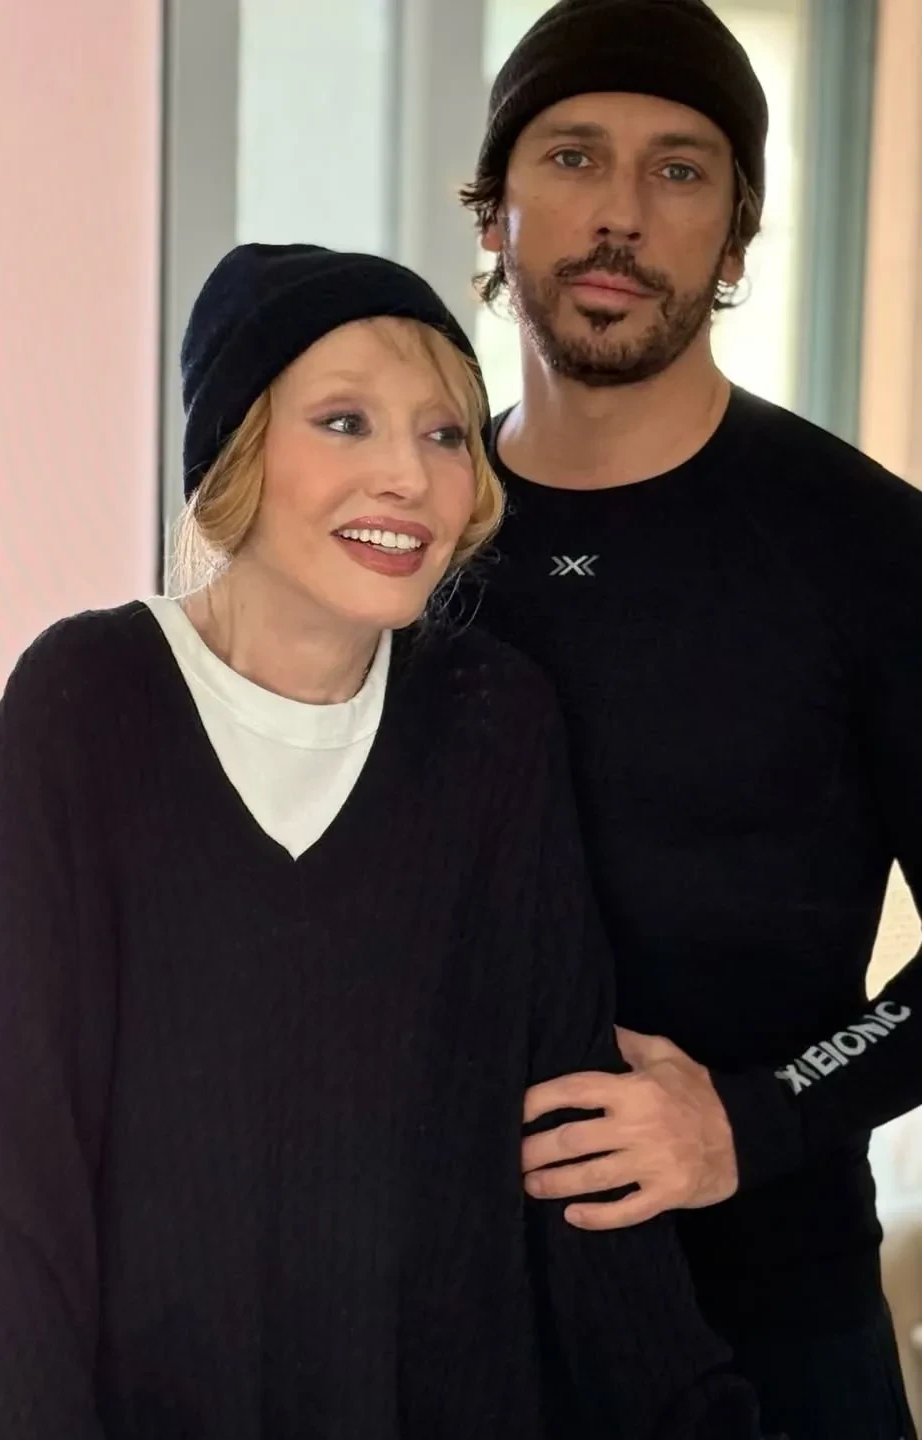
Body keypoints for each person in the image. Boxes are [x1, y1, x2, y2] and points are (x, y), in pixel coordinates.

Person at [0, 243, 766, 1439]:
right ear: (236, 448)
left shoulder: (493, 720)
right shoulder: (87, 699)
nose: (409, 476)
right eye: (345, 422)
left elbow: (564, 1134)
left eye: (445, 434)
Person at [456, 1, 922, 1437]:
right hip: (450, 1321)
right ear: (494, 209)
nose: (619, 213)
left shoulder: (866, 548)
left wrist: (750, 1115)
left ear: (734, 238)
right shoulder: (408, 542)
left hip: (773, 1331)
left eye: (678, 170)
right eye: (573, 155)